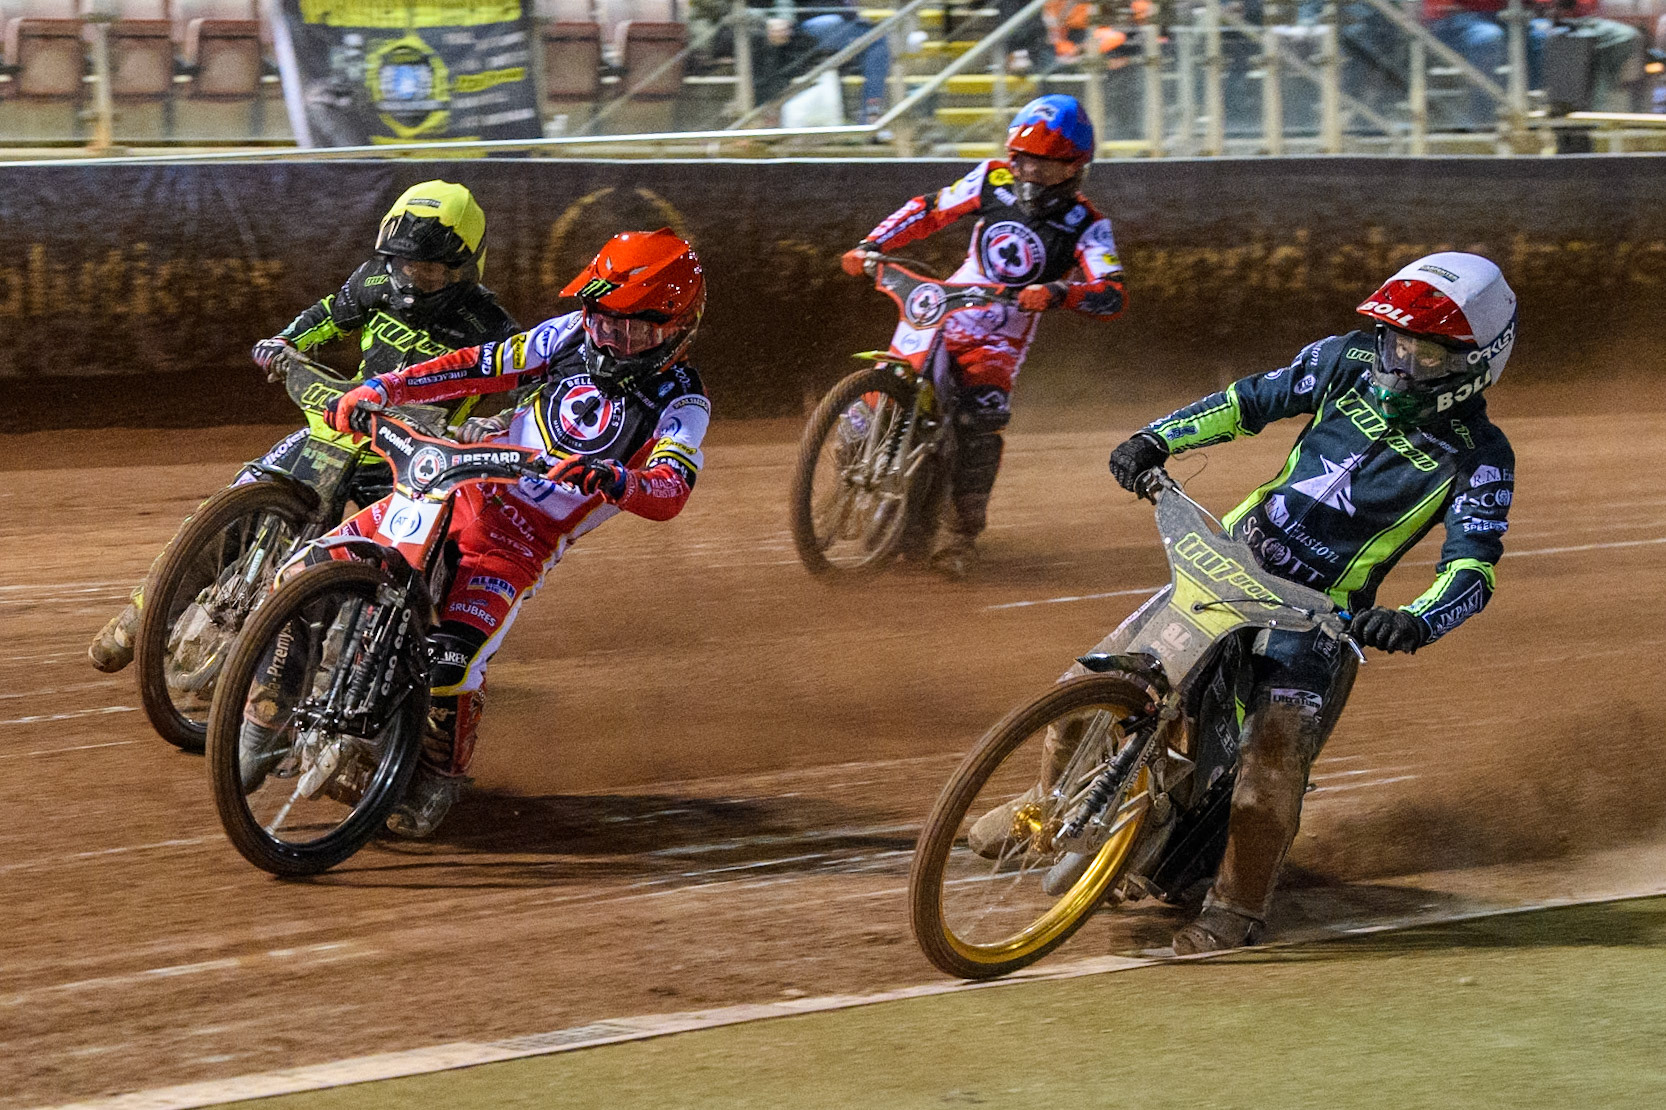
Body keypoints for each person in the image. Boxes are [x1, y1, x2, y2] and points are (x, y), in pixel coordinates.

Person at [1105, 251, 1518, 954]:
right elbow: (1249, 402)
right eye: (1395, 341)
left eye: (1423, 353)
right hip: (1225, 563)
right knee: (1098, 681)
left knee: (1269, 768)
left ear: (1474, 365)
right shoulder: (1344, 359)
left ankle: (1234, 910)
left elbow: (1473, 568)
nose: (1398, 361)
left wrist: (1415, 619)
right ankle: (1038, 810)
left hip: (1318, 620)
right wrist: (1157, 437)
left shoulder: (1481, 457)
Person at [319, 228, 711, 837]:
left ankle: (436, 777)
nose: (608, 335)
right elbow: (477, 366)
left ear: (676, 328)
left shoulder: (683, 401)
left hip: (517, 544)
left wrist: (615, 481)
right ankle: (270, 696)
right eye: (602, 318)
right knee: (316, 568)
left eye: (629, 327)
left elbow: (671, 488)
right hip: (458, 483)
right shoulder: (568, 334)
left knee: (450, 663)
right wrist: (383, 386)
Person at [87, 180, 519, 674]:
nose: (408, 278)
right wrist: (283, 341)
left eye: (426, 270)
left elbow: (530, 388)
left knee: (422, 571)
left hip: (414, 458)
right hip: (345, 425)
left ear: (464, 267)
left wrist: (494, 422)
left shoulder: (491, 327)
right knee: (244, 492)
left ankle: (380, 675)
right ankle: (142, 614)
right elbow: (328, 316)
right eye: (401, 264)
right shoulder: (373, 282)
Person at [839, 94, 1127, 578]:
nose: (1031, 173)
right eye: (1024, 160)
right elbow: (930, 210)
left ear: (1075, 168)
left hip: (1000, 335)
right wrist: (872, 245)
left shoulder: (1089, 225)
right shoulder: (991, 178)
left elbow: (1111, 292)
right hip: (941, 310)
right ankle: (870, 474)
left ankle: (960, 534)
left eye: (1046, 165)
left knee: (980, 417)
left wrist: (1059, 292)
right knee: (866, 407)